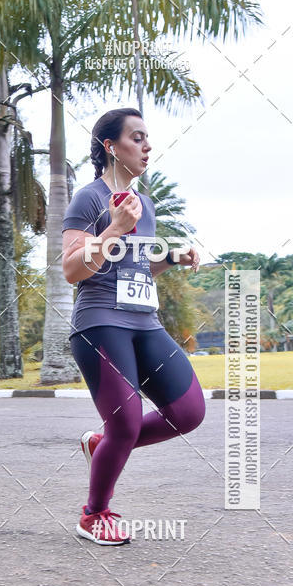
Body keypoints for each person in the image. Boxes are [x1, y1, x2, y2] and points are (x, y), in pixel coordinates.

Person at [61, 108, 205, 545]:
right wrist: (115, 229)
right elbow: (72, 269)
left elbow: (136, 268)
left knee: (188, 412)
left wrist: (172, 258)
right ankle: (94, 514)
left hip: (143, 321)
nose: (147, 146)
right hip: (100, 322)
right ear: (111, 146)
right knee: (124, 426)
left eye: (147, 138)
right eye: (136, 137)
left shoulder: (148, 204)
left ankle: (100, 444)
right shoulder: (89, 199)